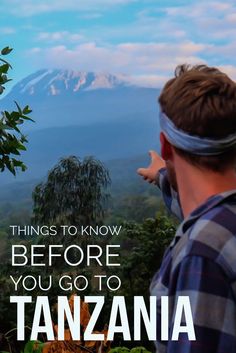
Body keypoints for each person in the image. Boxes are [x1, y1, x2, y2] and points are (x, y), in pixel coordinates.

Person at [138, 64, 236, 353]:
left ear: (165, 146)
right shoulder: (221, 225)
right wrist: (163, 177)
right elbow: (203, 212)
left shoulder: (203, 253)